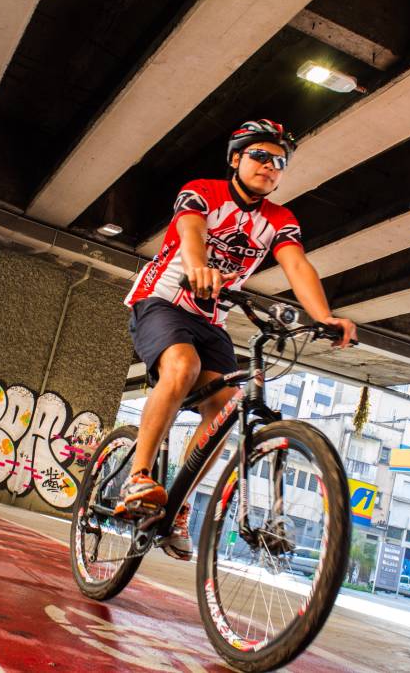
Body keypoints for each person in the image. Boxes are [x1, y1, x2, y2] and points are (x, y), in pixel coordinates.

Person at [120, 119, 357, 561]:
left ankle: (177, 506)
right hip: (163, 299)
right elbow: (192, 234)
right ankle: (138, 474)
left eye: (280, 161)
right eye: (261, 156)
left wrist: (323, 316)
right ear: (236, 159)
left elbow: (297, 266)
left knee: (226, 404)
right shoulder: (202, 191)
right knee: (182, 367)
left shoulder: (280, 219)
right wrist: (198, 268)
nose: (271, 166)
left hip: (212, 318)